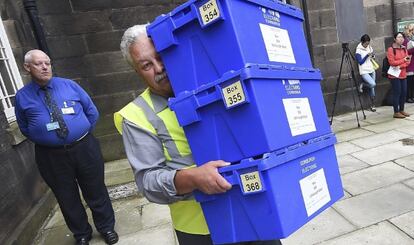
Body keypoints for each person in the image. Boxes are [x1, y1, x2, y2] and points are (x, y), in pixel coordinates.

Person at [114, 24, 282, 245]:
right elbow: (148, 182)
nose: (159, 68)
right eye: (147, 65)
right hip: (202, 229)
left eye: (160, 57)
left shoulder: (216, 84)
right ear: (137, 72)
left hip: (254, 204)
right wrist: (192, 178)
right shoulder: (136, 116)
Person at [15, 50, 118, 245]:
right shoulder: (22, 97)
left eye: (48, 63)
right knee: (66, 196)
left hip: (84, 147)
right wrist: (46, 138)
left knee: (95, 189)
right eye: (39, 64)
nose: (45, 67)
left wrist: (79, 133)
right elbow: (24, 127)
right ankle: (81, 233)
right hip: (51, 156)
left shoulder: (69, 85)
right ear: (27, 67)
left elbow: (91, 112)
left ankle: (107, 227)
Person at [387, 32, 411, 118]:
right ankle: (396, 112)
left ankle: (402, 110)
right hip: (394, 75)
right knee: (397, 92)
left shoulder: (404, 49)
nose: (401, 39)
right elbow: (392, 62)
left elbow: (408, 61)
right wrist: (403, 60)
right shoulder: (391, 49)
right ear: (394, 39)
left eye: (402, 37)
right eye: (399, 37)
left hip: (403, 74)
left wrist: (400, 65)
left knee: (404, 93)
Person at [355, 34, 377, 112]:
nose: (367, 45)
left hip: (371, 69)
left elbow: (371, 57)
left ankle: (372, 105)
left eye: (368, 43)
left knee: (372, 88)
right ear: (362, 42)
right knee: (373, 84)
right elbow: (360, 62)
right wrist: (367, 56)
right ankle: (363, 84)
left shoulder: (369, 47)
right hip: (364, 71)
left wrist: (372, 56)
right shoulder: (358, 50)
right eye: (366, 43)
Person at [403, 24, 414, 103]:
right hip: (409, 63)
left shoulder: (410, 39)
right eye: (411, 30)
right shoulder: (405, 40)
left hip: (412, 62)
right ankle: (409, 97)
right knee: (409, 82)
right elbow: (405, 52)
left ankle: (412, 96)